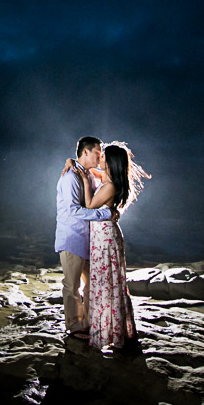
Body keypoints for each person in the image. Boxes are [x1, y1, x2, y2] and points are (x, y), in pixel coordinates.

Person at [73, 142, 149, 349]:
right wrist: (75, 165)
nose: (100, 156)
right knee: (106, 282)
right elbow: (92, 170)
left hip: (104, 237)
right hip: (103, 235)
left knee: (105, 283)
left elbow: (89, 205)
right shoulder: (107, 179)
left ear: (111, 161)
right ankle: (109, 329)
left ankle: (106, 332)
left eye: (103, 155)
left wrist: (83, 182)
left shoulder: (109, 186)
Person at [55, 136, 114, 340]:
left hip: (89, 240)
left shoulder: (90, 175)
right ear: (86, 152)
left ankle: (89, 322)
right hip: (72, 237)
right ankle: (74, 325)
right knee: (71, 285)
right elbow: (73, 211)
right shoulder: (71, 176)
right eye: (97, 152)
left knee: (91, 284)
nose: (100, 156)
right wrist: (105, 214)